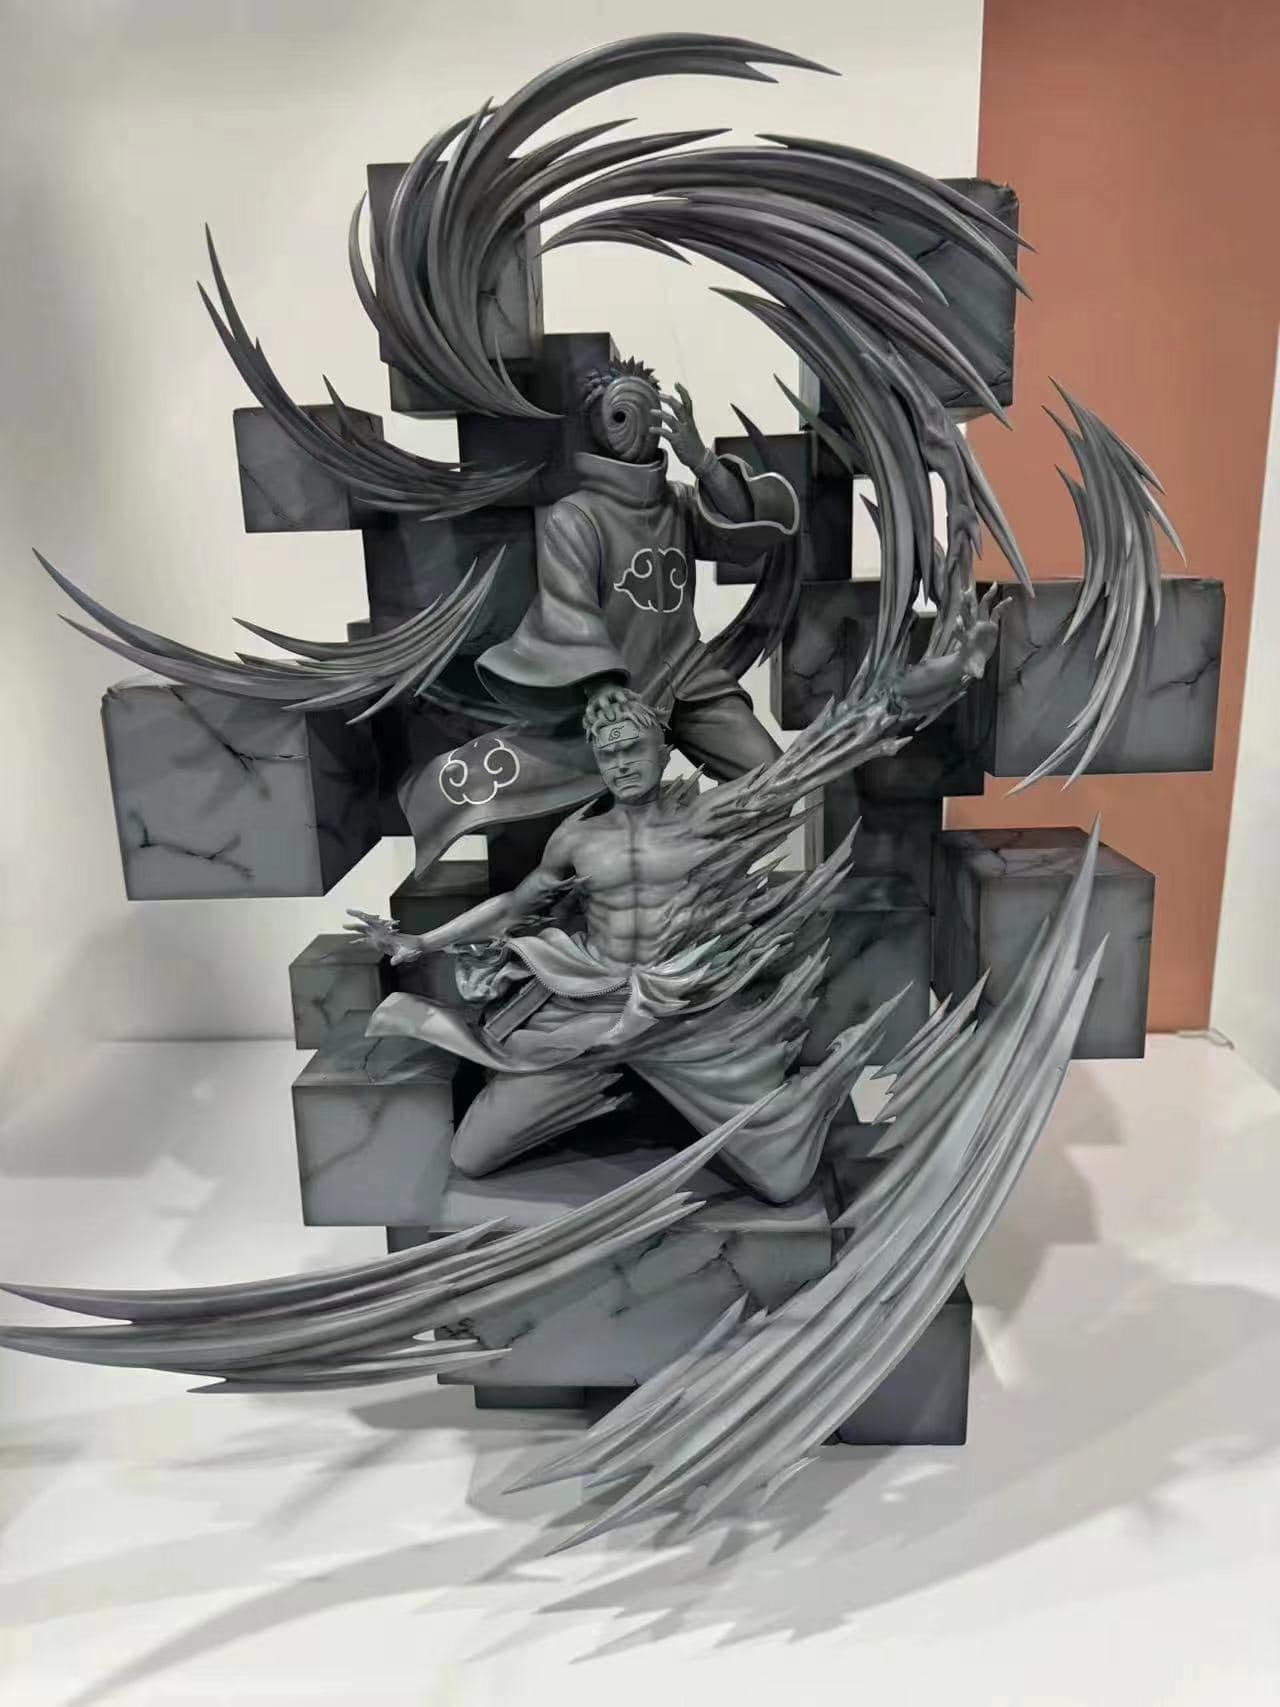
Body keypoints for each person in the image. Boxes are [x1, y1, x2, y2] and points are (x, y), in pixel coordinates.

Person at [351, 689, 853, 1206]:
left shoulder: (706, 816)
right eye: (609, 754)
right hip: (590, 1006)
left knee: (785, 1181)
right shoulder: (578, 840)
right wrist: (423, 942)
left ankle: (817, 1086)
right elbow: (513, 907)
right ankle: (605, 1089)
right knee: (471, 1155)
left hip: (682, 1011)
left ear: (664, 752)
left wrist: (876, 714)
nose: (622, 764)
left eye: (633, 749)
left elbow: (789, 775)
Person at [397, 362, 799, 871]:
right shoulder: (577, 514)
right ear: (595, 425)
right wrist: (602, 687)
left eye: (645, 412)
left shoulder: (678, 503)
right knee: (568, 813)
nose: (636, 426)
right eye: (619, 415)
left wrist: (703, 462)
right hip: (618, 694)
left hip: (691, 679)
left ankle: (680, 859)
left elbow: (746, 536)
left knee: (773, 780)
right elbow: (570, 607)